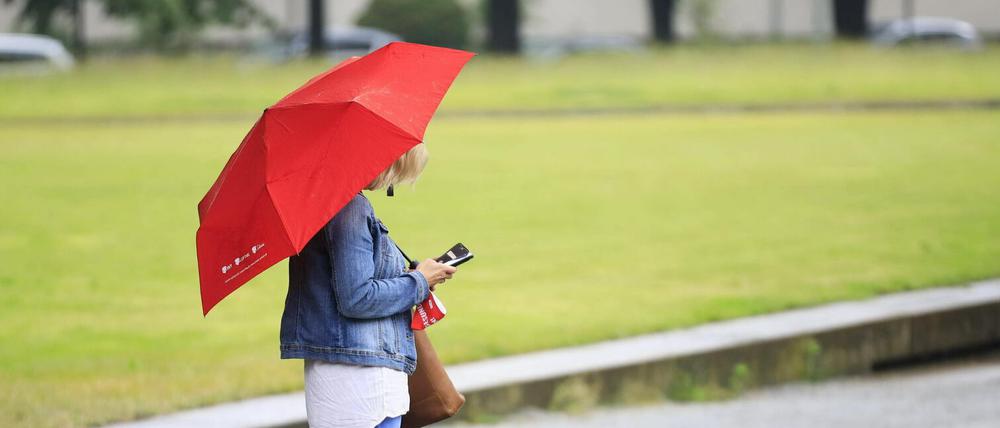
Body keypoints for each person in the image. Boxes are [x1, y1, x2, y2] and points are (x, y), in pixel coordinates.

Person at [279, 143, 457, 428]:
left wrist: (412, 276)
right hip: (363, 382)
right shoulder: (350, 208)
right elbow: (358, 297)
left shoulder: (325, 204)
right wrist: (420, 281)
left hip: (346, 376)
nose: (392, 182)